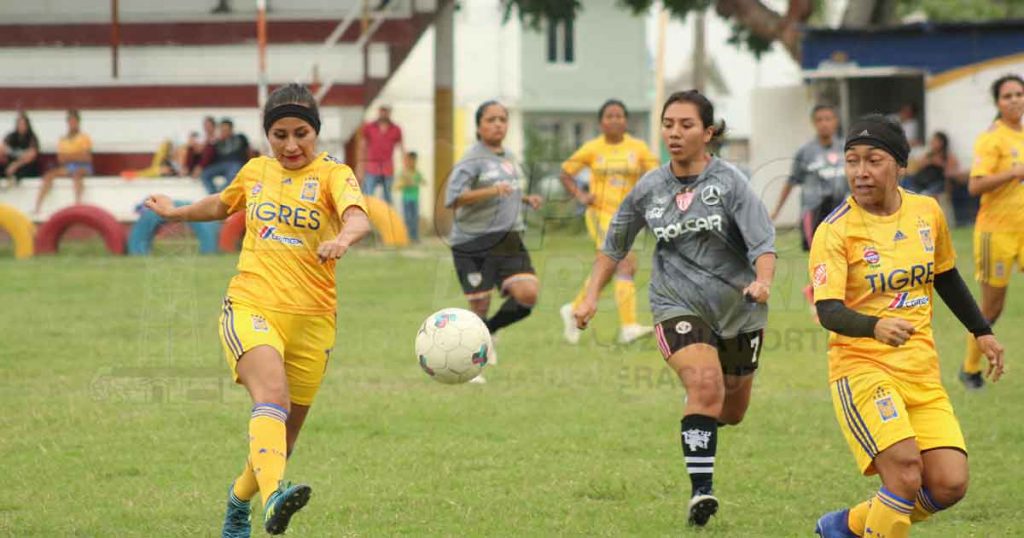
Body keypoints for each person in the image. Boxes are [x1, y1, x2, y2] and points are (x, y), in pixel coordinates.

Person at [144, 83, 371, 536]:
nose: (291, 145)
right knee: (272, 399)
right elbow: (222, 203)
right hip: (251, 304)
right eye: (280, 134)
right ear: (268, 134)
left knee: (282, 437)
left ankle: (238, 502)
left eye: (301, 133)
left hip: (314, 321)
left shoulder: (334, 175)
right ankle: (274, 502)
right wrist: (177, 213)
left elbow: (358, 216)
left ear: (316, 132)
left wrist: (343, 239)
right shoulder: (255, 172)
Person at [574, 90, 776, 527]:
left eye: (686, 125)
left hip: (739, 312)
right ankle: (701, 493)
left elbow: (763, 243)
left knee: (732, 410)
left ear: (707, 132)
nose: (675, 132)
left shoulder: (731, 183)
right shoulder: (649, 187)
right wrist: (590, 295)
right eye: (668, 124)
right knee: (705, 385)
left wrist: (764, 281)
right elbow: (614, 246)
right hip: (675, 303)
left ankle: (698, 416)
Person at [809, 114, 1005, 538]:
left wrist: (981, 329)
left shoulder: (926, 212)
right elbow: (828, 310)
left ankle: (845, 526)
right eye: (852, 161)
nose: (861, 172)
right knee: (904, 474)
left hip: (920, 371)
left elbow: (946, 275)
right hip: (862, 368)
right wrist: (875, 326)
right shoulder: (835, 230)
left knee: (950, 482)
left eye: (874, 160)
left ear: (900, 165)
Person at [445, 100, 543, 383]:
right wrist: (490, 191)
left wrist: (525, 199)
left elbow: (506, 190)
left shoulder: (509, 157)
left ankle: (488, 332)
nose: (498, 124)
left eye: (502, 119)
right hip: (473, 241)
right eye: (491, 119)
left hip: (509, 237)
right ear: (479, 126)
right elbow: (453, 198)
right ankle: (473, 366)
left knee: (528, 295)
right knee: (479, 305)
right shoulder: (470, 160)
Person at [557, 99, 660, 345]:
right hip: (600, 214)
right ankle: (629, 327)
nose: (615, 120)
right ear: (601, 122)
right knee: (623, 262)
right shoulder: (593, 148)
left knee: (612, 268)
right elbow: (565, 173)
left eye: (619, 116)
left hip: (628, 216)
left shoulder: (638, 147)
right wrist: (580, 195)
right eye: (609, 116)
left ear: (626, 120)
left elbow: (656, 174)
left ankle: (574, 309)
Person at [959, 74, 1024, 390]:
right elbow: (974, 185)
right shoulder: (992, 139)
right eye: (1007, 96)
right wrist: (1012, 172)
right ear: (997, 103)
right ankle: (969, 368)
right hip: (995, 234)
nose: (1014, 100)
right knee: (992, 308)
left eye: (1019, 94)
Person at [771, 104, 846, 251]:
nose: (824, 123)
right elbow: (791, 181)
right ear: (813, 123)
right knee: (817, 254)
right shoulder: (805, 152)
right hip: (813, 211)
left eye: (828, 119)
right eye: (819, 120)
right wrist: (776, 211)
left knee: (843, 251)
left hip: (841, 209)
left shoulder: (846, 149)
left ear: (836, 121)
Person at [33, 109, 92, 214]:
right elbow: (60, 159)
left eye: (74, 121)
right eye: (70, 121)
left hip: (83, 167)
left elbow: (86, 158)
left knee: (77, 175)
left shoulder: (84, 137)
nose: (72, 124)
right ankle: (38, 206)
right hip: (68, 167)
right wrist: (76, 155)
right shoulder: (62, 139)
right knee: (48, 175)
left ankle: (78, 205)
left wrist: (69, 156)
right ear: (68, 123)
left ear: (78, 123)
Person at [360, 104, 404, 204]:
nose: (384, 113)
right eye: (382, 110)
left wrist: (405, 167)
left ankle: (387, 219)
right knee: (367, 195)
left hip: (387, 168)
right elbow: (362, 147)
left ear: (390, 112)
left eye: (386, 110)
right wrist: (361, 165)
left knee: (387, 197)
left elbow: (402, 148)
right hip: (372, 167)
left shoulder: (396, 129)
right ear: (379, 111)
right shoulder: (369, 127)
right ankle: (366, 218)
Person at [902, 132, 965, 198]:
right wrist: (929, 161)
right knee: (907, 182)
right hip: (922, 181)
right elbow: (917, 166)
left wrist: (940, 164)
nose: (932, 142)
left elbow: (952, 173)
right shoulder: (928, 154)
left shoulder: (948, 156)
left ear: (942, 143)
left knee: (928, 192)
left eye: (935, 140)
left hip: (937, 183)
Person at [200, 118, 250, 194]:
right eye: (222, 130)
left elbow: (249, 151)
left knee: (232, 175)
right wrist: (211, 142)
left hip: (235, 163)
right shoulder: (216, 142)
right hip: (220, 164)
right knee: (205, 174)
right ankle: (213, 194)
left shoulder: (240, 138)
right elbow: (207, 155)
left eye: (226, 130)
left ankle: (221, 194)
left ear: (231, 129)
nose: (224, 132)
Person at [0, 111, 40, 185]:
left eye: (23, 124)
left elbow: (31, 156)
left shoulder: (32, 138)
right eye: (19, 124)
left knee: (22, 170)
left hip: (25, 166)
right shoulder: (11, 136)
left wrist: (15, 165)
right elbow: (2, 148)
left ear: (28, 125)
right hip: (11, 164)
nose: (21, 126)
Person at [396, 150, 424, 242]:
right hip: (406, 199)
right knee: (408, 218)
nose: (412, 163)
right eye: (410, 160)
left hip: (415, 199)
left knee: (415, 218)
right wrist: (405, 183)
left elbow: (423, 182)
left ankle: (415, 237)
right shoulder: (404, 173)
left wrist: (416, 182)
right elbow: (397, 186)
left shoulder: (417, 173)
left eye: (413, 161)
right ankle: (407, 237)